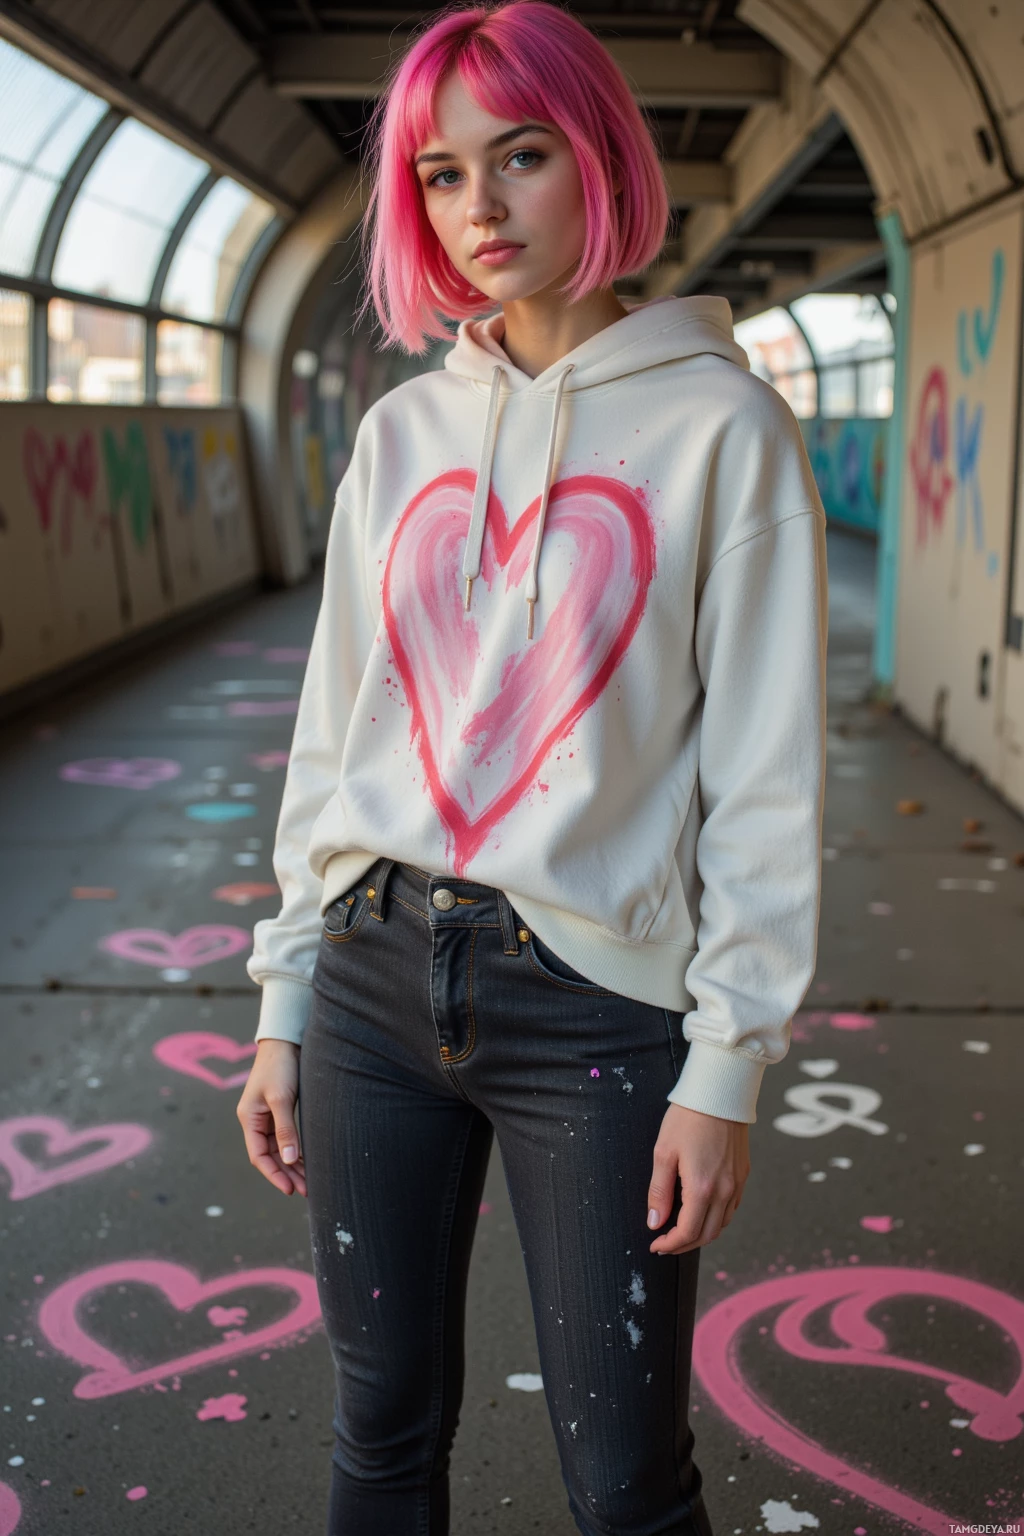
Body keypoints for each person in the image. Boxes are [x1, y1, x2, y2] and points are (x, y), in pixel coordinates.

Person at [236, 2, 827, 1532]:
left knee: (627, 1481)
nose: (480, 208)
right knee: (379, 1433)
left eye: (522, 155)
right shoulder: (402, 434)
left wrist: (729, 1064)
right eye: (439, 175)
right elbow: (336, 731)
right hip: (372, 979)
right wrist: (285, 997)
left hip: (602, 1011)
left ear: (603, 159)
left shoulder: (726, 432)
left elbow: (765, 781)